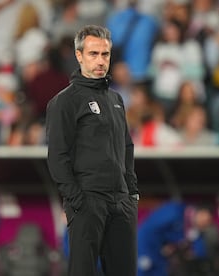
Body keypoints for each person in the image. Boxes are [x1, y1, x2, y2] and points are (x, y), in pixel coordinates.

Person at [46, 25, 139, 276]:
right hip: (87, 201)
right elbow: (57, 156)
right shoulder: (64, 101)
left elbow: (127, 147)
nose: (100, 61)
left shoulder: (116, 100)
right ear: (79, 56)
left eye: (105, 54)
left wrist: (131, 193)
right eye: (93, 54)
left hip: (121, 204)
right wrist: (77, 200)